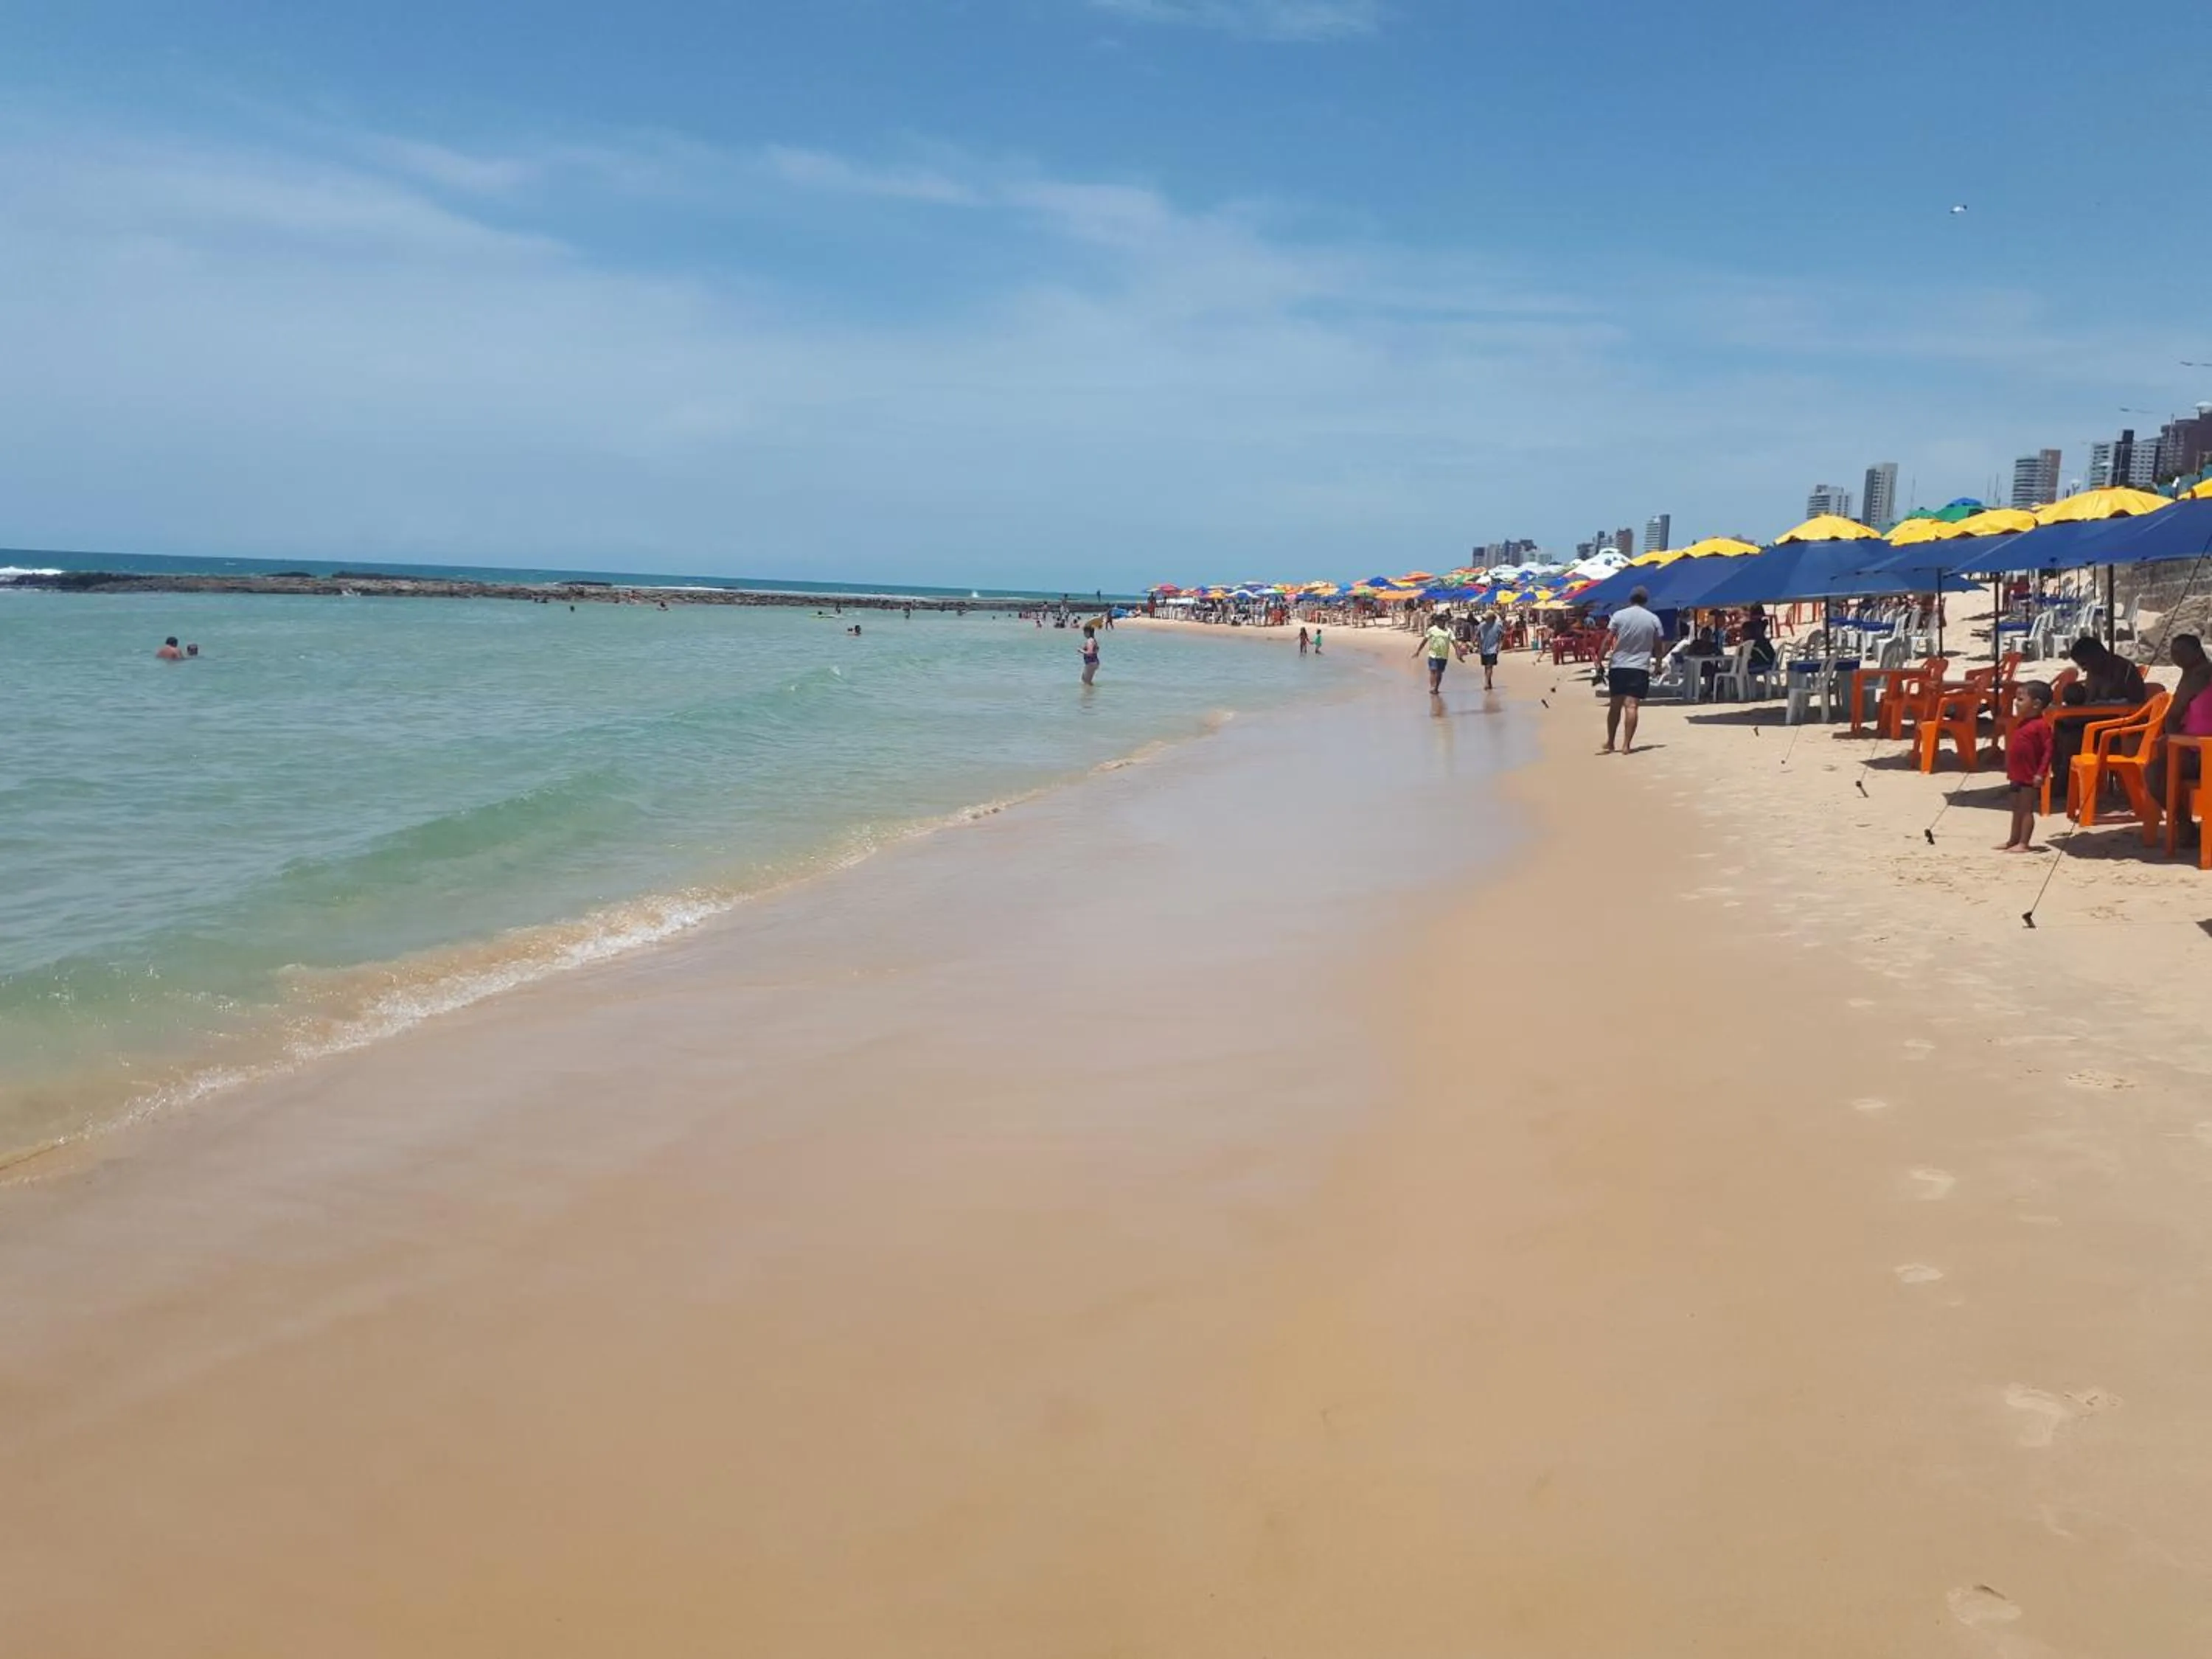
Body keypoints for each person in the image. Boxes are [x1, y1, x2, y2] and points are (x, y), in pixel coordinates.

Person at [2051, 636, 2149, 779]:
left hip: (2119, 727)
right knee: (2056, 728)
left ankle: (2068, 780)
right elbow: (2089, 702)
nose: (2083, 669)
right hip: (2096, 721)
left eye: (2084, 663)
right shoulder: (2095, 672)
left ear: (2096, 655)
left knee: (2071, 737)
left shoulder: (2124, 670)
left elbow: (2135, 704)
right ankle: (2063, 777)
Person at [2149, 636, 2211, 844]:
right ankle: (2185, 825)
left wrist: (2172, 739)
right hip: (2193, 748)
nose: (2176, 658)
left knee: (2156, 773)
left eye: (2180, 653)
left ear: (2196, 652)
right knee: (2159, 771)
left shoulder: (2199, 677)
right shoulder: (2191, 675)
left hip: (2200, 751)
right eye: (2173, 654)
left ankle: (2184, 824)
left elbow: (2174, 715)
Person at [1600, 588, 1665, 754]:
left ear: (1630, 599)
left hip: (1618, 666)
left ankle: (1610, 742)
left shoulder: (1619, 616)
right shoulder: (1653, 619)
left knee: (1615, 706)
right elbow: (1659, 646)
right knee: (1632, 706)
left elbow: (1608, 640)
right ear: (1646, 601)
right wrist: (1658, 664)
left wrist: (1599, 659)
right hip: (1639, 667)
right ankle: (1626, 745)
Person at [1998, 680, 2055, 853]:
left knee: (2026, 809)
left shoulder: (2041, 725)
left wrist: (2041, 773)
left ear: (2036, 704)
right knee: (2016, 808)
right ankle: (2013, 840)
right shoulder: (2021, 723)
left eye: (2021, 699)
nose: (2016, 702)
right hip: (2016, 773)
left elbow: (2048, 751)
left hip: (2030, 775)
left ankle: (2024, 842)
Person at [1413, 611, 1457, 694]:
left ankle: (1436, 687)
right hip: (1433, 655)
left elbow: (1454, 641)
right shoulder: (1432, 630)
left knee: (1439, 672)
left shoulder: (1448, 631)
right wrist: (1418, 651)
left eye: (1444, 621)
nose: (1443, 623)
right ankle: (1432, 687)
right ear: (1437, 622)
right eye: (1442, 621)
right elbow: (1425, 641)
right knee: (1433, 671)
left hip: (1443, 655)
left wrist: (1458, 652)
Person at [1476, 610, 1504, 689]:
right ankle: (1489, 682)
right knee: (1486, 667)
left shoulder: (1498, 625)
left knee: (1489, 666)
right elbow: (1477, 635)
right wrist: (1479, 645)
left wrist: (1500, 645)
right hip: (1484, 648)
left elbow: (1502, 635)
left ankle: (1486, 683)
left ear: (1492, 618)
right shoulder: (1482, 625)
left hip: (1493, 648)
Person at [1080, 622, 1101, 686]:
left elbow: (1090, 653)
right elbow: (1097, 650)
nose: (1084, 634)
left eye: (1085, 632)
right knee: (1085, 680)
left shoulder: (1090, 641)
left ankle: (1090, 693)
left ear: (1088, 632)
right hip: (1094, 662)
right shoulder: (1093, 640)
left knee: (1086, 681)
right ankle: (1091, 693)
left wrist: (1081, 651)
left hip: (1091, 663)